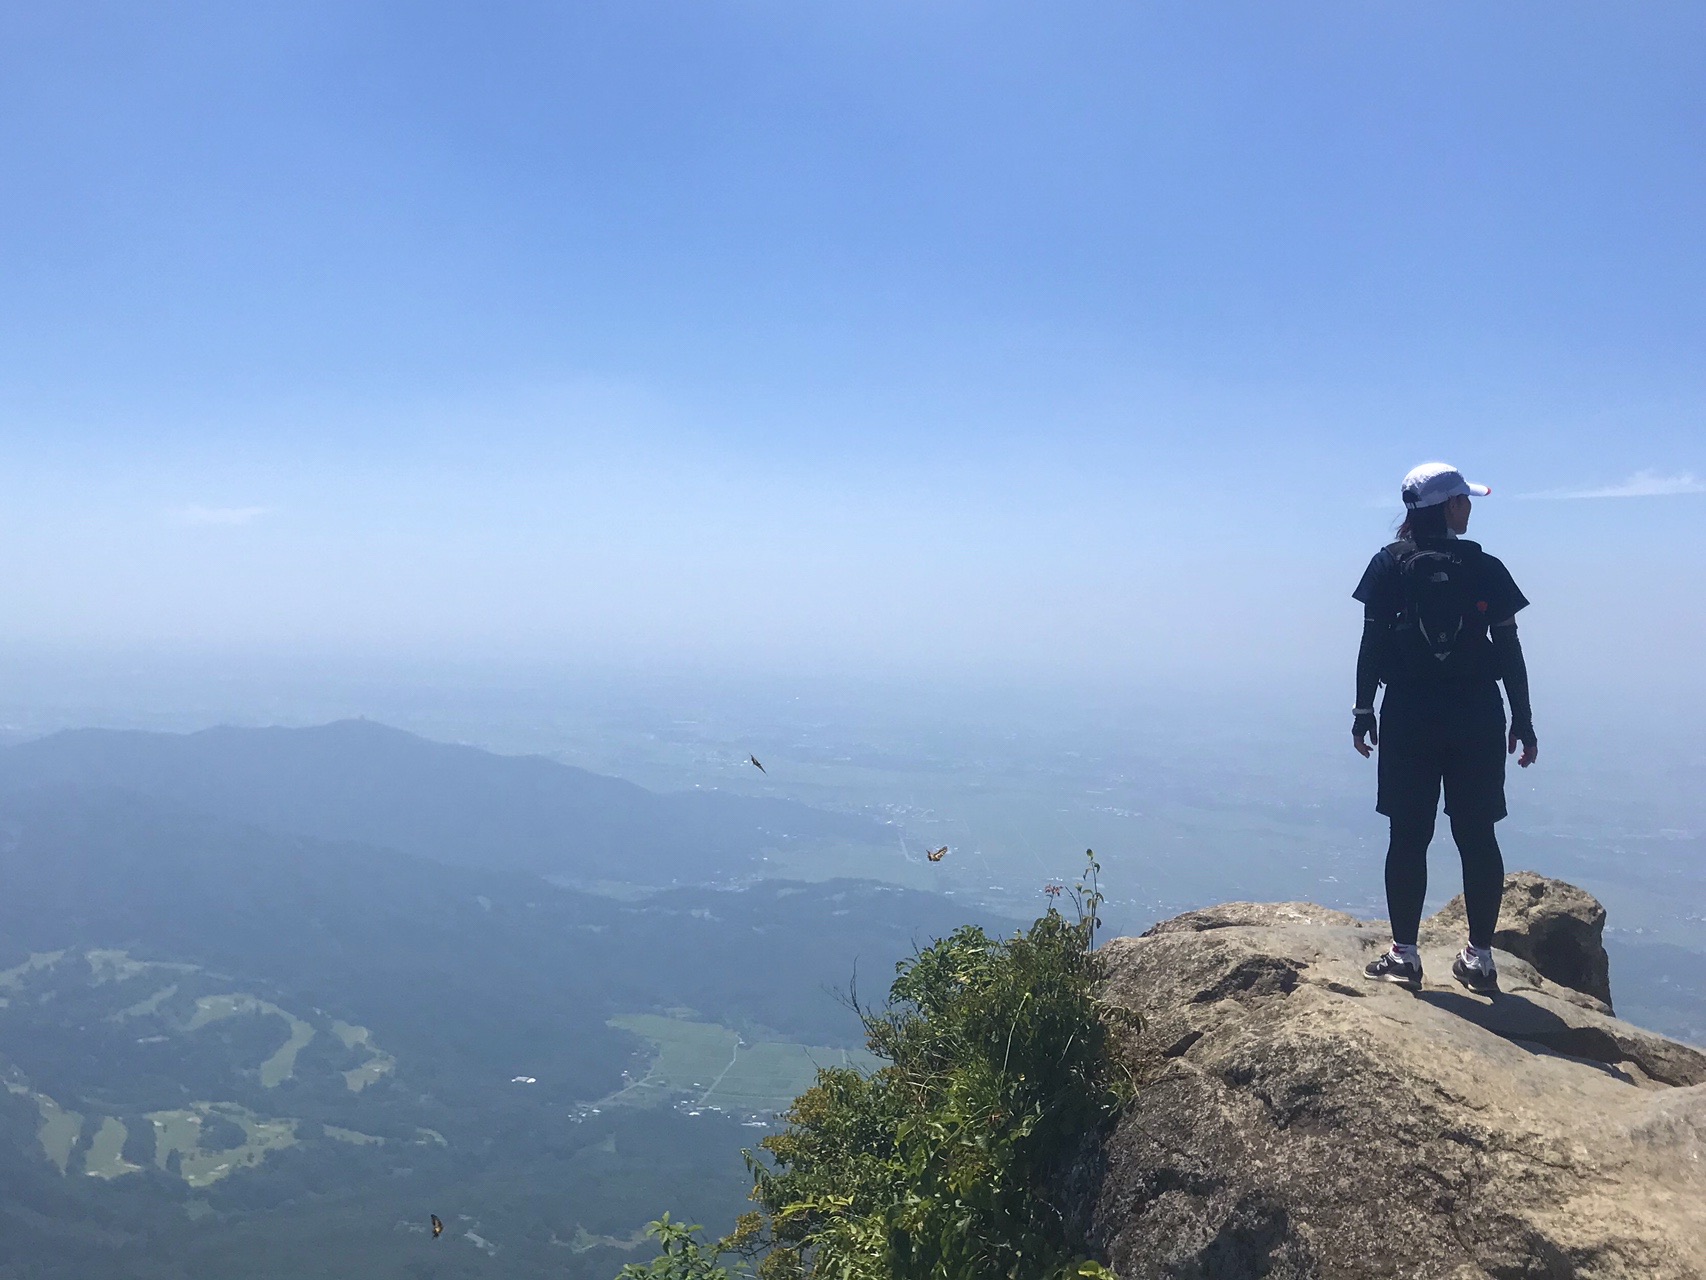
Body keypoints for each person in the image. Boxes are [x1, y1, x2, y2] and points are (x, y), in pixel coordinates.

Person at [1351, 462, 1537, 994]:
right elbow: (1509, 648)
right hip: (1476, 714)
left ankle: (1404, 956)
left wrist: (1363, 710)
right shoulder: (1485, 567)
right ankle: (1480, 960)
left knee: (1408, 836)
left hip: (1409, 714)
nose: (1470, 507)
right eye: (1465, 499)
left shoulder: (1388, 564)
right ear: (1450, 506)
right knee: (1477, 836)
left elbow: (1371, 643)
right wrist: (1523, 720)